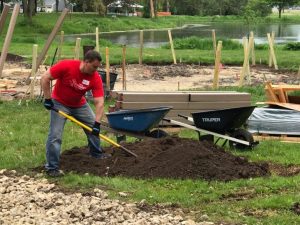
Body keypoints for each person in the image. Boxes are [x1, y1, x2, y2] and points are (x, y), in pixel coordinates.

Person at [41, 50, 110, 177]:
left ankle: (96, 153)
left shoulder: (95, 78)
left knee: (92, 128)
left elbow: (99, 102)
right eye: (94, 67)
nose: (96, 70)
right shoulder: (66, 65)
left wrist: (97, 123)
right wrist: (48, 99)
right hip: (59, 103)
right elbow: (45, 78)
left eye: (97, 67)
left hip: (79, 105)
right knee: (55, 135)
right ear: (86, 62)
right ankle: (52, 168)